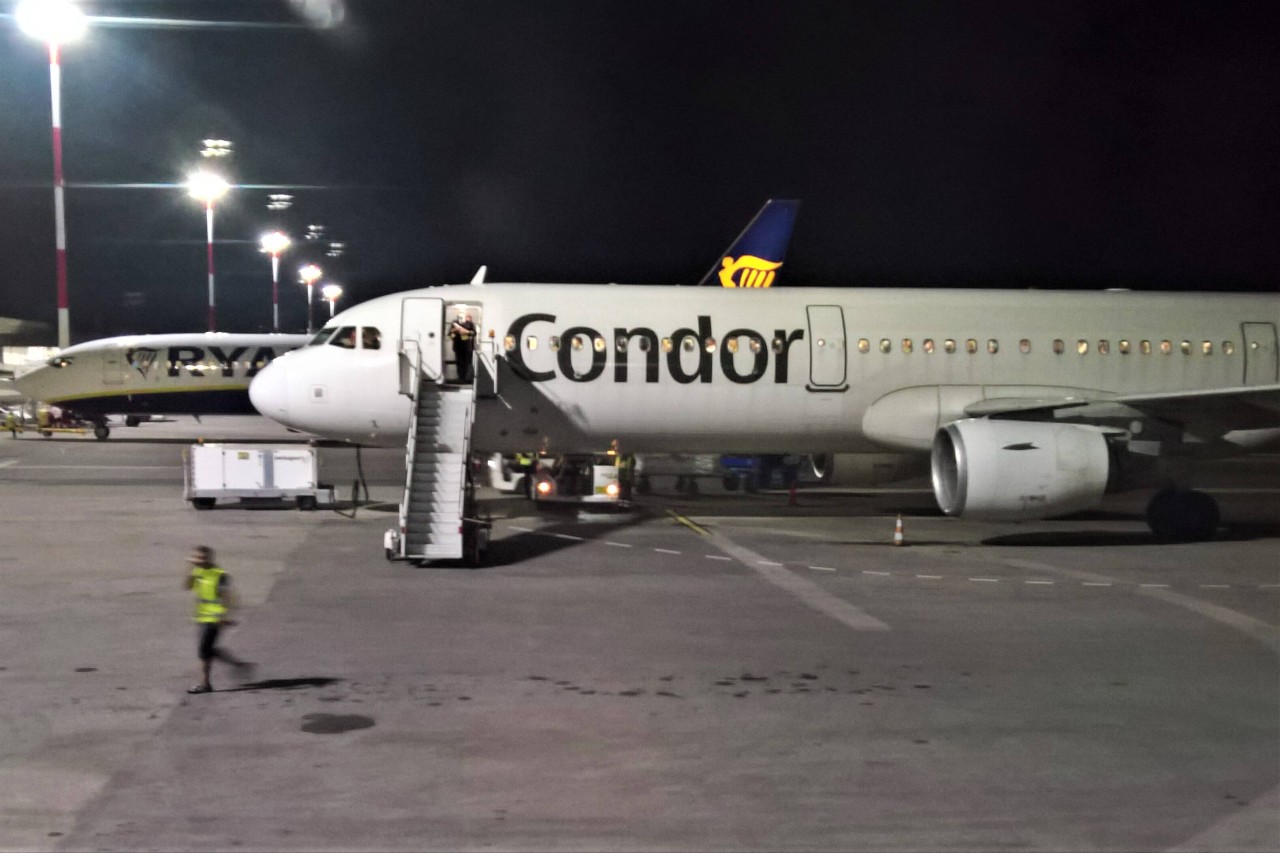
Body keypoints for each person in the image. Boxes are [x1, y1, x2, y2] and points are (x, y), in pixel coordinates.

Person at [184, 545, 254, 694]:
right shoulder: (197, 571)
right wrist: (189, 568)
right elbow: (187, 586)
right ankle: (238, 665)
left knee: (204, 650)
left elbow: (229, 597)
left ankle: (204, 684)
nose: (198, 560)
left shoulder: (220, 575)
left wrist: (226, 616)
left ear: (210, 558)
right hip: (202, 616)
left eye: (201, 558)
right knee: (208, 650)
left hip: (215, 619)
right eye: (195, 557)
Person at [449, 312, 477, 382]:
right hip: (458, 346)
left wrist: (466, 332)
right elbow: (450, 335)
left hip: (467, 347)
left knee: (467, 363)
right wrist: (454, 332)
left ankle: (467, 378)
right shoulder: (454, 324)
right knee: (459, 362)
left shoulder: (470, 324)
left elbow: (474, 333)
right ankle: (460, 378)